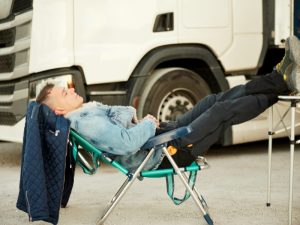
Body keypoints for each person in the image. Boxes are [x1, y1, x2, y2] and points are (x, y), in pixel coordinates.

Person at [36, 36, 300, 172]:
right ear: (59, 110)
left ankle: (280, 78)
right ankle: (282, 84)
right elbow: (126, 143)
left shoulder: (84, 113)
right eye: (63, 93)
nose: (69, 90)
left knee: (210, 100)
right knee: (221, 111)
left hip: (164, 137)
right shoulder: (85, 120)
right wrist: (148, 123)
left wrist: (137, 121)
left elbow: (124, 118)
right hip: (166, 152)